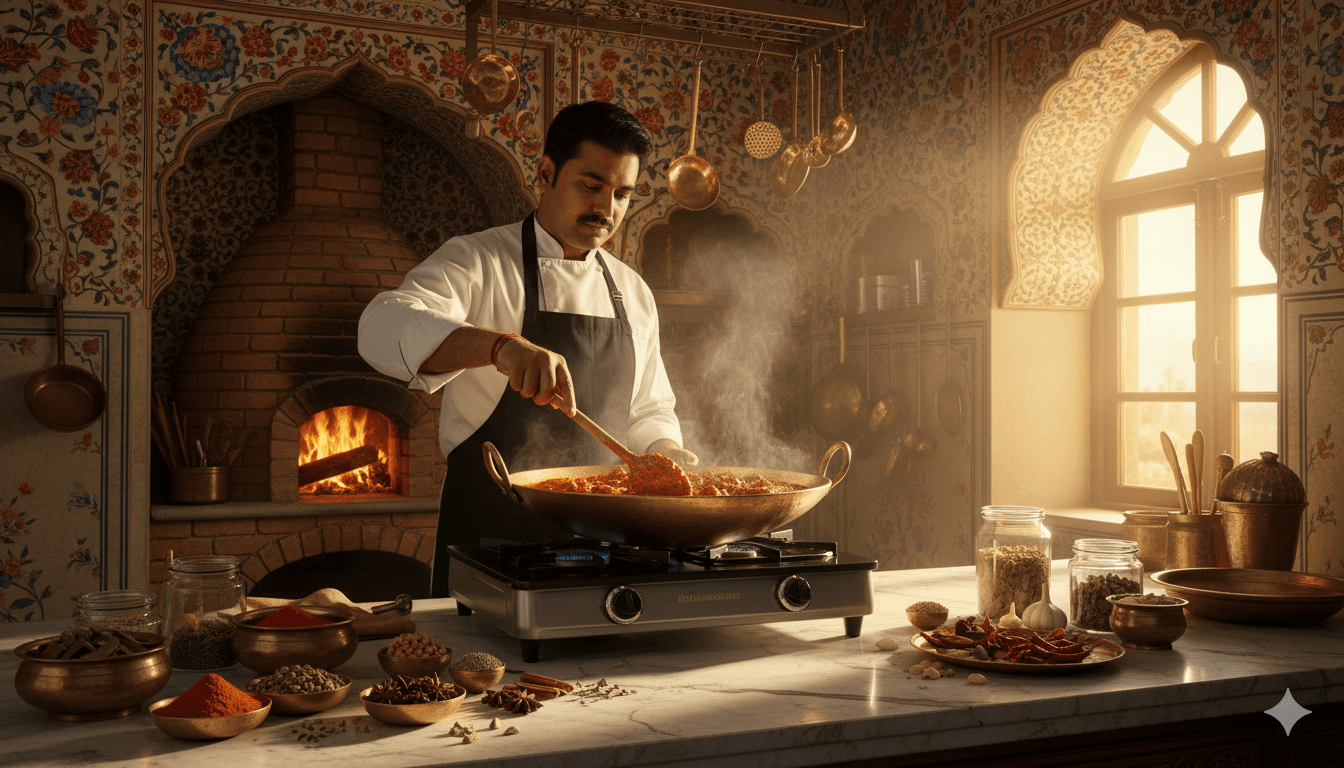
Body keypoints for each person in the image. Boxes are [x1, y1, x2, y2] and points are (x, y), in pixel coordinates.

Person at [358, 101, 696, 596]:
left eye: (622, 194)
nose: (607, 208)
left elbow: (649, 407)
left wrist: (665, 453)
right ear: (545, 172)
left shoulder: (633, 291)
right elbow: (380, 326)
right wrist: (500, 346)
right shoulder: (478, 259)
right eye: (591, 184)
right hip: (491, 542)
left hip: (604, 547)